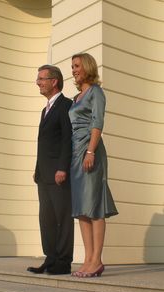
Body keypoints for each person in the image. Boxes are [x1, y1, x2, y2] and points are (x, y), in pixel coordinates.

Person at [69, 53, 118, 278]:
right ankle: (88, 259)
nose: (74, 70)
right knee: (82, 209)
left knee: (94, 205)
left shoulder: (96, 92)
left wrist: (90, 150)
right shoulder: (76, 97)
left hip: (91, 151)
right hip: (75, 154)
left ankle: (97, 259)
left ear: (87, 66)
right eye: (72, 67)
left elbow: (97, 122)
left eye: (77, 66)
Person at [27, 65, 74, 275]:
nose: (38, 82)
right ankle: (51, 258)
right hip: (43, 175)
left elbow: (67, 139)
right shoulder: (44, 109)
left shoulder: (66, 105)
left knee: (62, 217)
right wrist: (37, 169)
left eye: (41, 79)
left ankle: (63, 261)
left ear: (54, 81)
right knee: (45, 217)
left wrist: (62, 168)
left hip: (58, 174)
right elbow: (43, 143)